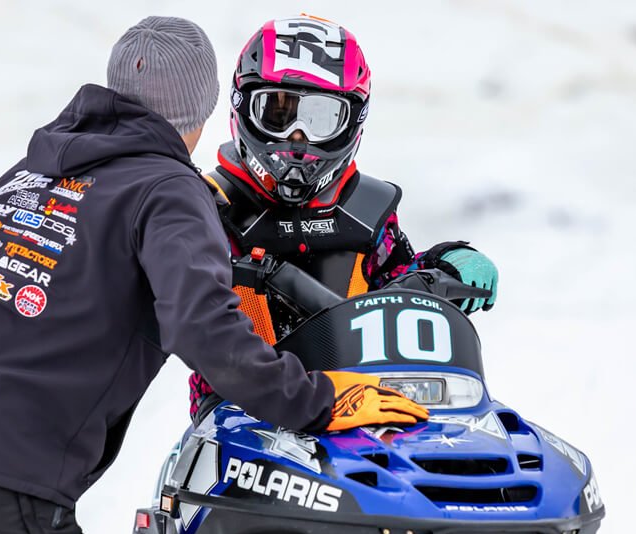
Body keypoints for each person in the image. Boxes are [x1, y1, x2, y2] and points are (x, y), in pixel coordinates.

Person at [0, 16, 427, 534]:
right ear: (215, 106)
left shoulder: (43, 166)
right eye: (278, 112)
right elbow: (204, 329)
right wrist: (318, 400)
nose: (294, 139)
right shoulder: (170, 190)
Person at [189, 15, 500, 414]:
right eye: (278, 114)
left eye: (319, 118)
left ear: (352, 121)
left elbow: (395, 284)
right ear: (242, 107)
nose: (297, 139)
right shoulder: (203, 207)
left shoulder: (367, 213)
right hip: (241, 415)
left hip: (367, 407)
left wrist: (443, 263)